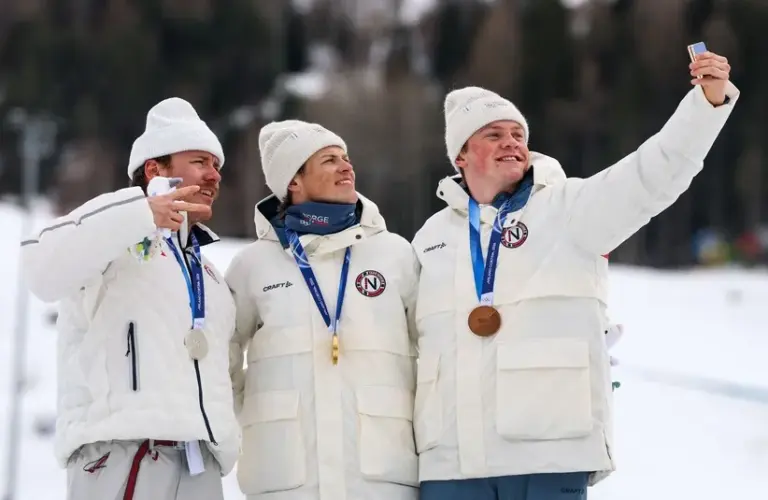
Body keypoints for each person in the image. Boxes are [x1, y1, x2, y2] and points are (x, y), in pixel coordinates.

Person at [410, 51, 738, 499]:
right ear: (461, 155)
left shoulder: (569, 207)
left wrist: (706, 104)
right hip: (448, 462)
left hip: (548, 452)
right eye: (493, 134)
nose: (512, 141)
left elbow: (654, 172)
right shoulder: (430, 236)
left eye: (517, 133)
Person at [20, 97, 240, 500]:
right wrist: (141, 213)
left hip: (200, 464)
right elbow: (40, 269)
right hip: (125, 452)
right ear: (156, 169)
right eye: (200, 162)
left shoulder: (209, 274)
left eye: (217, 166)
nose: (214, 176)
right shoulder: (114, 228)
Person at [226, 120, 420, 500]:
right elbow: (222, 361)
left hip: (383, 478)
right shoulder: (253, 266)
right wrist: (258, 421)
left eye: (346, 158)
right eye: (330, 160)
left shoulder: (395, 254)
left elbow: (431, 350)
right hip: (285, 481)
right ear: (293, 182)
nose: (347, 167)